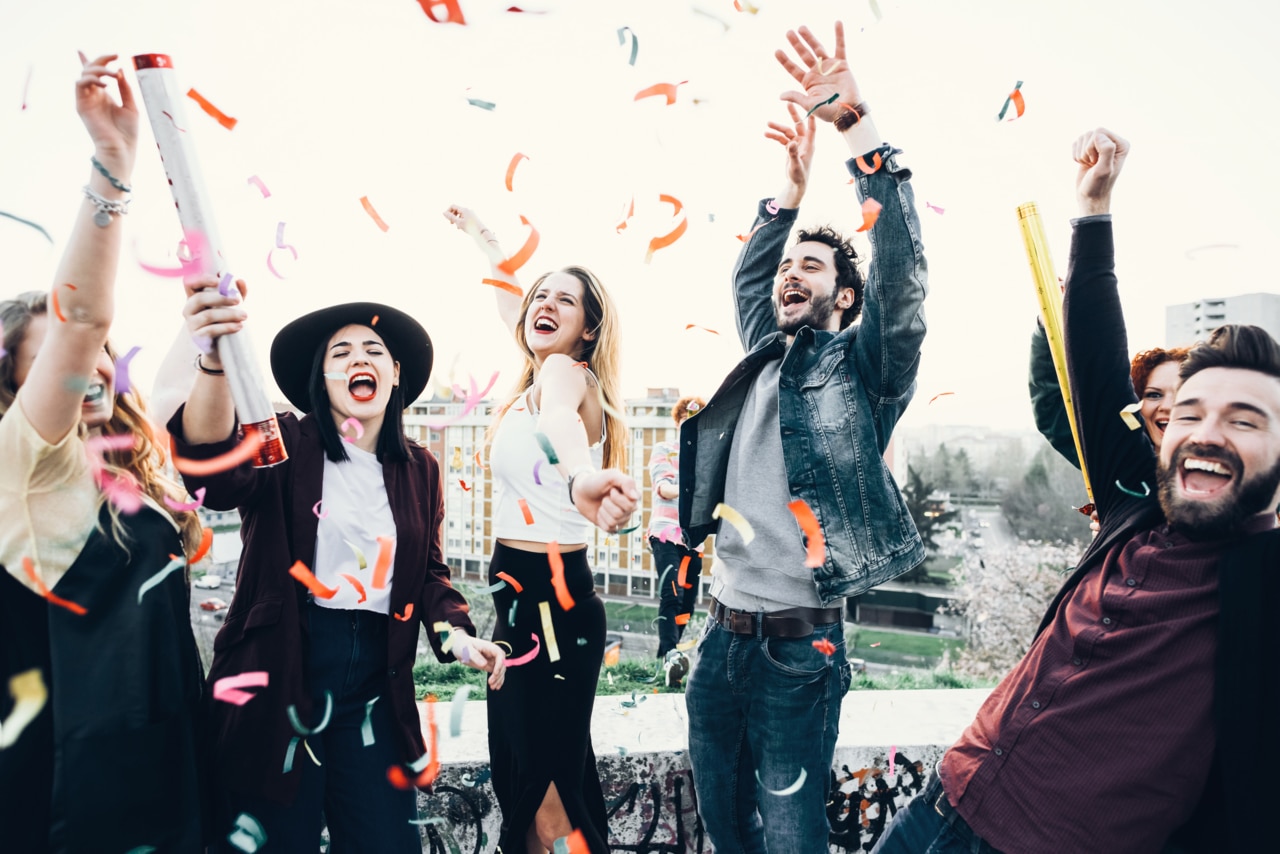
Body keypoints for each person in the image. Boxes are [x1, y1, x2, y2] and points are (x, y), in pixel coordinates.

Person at [872, 129, 1280, 854]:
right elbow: (1090, 365)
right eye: (1189, 412)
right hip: (942, 804)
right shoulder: (1135, 504)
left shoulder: (1262, 579)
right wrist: (1094, 210)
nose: (1205, 431)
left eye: (1243, 420)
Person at [678, 21, 929, 852]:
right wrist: (784, 197)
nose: (791, 273)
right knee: (725, 832)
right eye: (791, 265)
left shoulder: (863, 372)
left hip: (801, 651)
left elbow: (899, 275)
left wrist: (857, 131)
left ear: (845, 302)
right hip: (721, 642)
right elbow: (752, 272)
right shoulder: (763, 357)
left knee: (789, 841)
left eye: (813, 267)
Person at [169, 290, 507, 850]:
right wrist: (211, 360)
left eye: (374, 350)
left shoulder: (419, 467)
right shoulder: (283, 442)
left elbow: (427, 576)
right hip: (282, 675)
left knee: (385, 840)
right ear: (320, 378)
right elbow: (211, 470)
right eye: (340, 352)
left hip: (375, 685)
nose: (359, 359)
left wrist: (462, 638)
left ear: (395, 375)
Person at [0, 54, 206, 852]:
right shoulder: (20, 463)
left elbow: (170, 378)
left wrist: (206, 323)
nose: (84, 369)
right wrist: (115, 163)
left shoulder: (123, 465)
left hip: (160, 763)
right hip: (64, 786)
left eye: (90, 360)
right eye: (53, 363)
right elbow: (82, 320)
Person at [445, 204, 640, 854]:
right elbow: (511, 308)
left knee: (547, 799)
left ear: (588, 332)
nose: (543, 305)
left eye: (565, 301)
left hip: (552, 604)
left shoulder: (563, 377)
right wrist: (488, 245)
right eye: (541, 296)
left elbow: (560, 426)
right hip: (521, 606)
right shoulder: (536, 371)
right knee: (525, 780)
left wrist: (582, 477)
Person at [1030, 319, 1190, 462]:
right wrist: (1048, 325)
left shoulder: (1213, 466)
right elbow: (1052, 409)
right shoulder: (1117, 464)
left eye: (1181, 395)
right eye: (1153, 395)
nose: (1167, 406)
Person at [646, 394, 706, 683]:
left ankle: (669, 664)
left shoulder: (706, 458)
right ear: (678, 423)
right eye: (686, 422)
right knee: (672, 594)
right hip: (665, 534)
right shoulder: (664, 449)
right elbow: (664, 489)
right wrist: (694, 484)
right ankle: (671, 654)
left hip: (693, 540)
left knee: (687, 605)